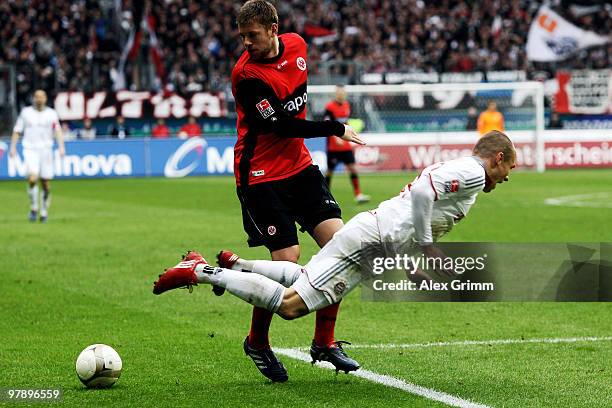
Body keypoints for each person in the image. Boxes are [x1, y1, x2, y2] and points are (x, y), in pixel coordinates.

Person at [153, 131, 517, 377]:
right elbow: (423, 194)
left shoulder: (466, 174)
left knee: (301, 276)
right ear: (498, 158)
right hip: (369, 241)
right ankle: (200, 271)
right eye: (510, 168)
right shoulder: (471, 172)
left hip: (374, 239)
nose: (507, 177)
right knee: (292, 306)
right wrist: (425, 247)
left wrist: (408, 265)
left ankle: (241, 265)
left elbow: (411, 211)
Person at [205, 0, 363, 383]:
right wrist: (333, 128)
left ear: (273, 29)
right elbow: (281, 126)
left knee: (341, 248)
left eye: (252, 35)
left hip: (300, 168)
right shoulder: (246, 76)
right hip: (259, 175)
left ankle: (324, 341)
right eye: (241, 36)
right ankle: (257, 341)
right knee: (288, 261)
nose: (246, 43)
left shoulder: (298, 47)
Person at [9, 89, 65, 223]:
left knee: (45, 183)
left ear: (45, 99)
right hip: (30, 149)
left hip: (46, 150)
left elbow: (57, 131)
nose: (39, 99)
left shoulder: (51, 114)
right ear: (33, 98)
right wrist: (13, 147)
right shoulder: (26, 113)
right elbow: (17, 130)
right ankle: (34, 208)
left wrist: (61, 146)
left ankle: (44, 211)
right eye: (37, 97)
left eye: (42, 97)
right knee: (33, 178)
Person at [324, 85, 370, 203]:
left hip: (346, 145)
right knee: (330, 171)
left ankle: (358, 194)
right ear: (336, 93)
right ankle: (326, 196)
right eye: (339, 92)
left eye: (343, 92)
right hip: (333, 147)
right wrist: (336, 138)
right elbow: (326, 124)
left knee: (353, 169)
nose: (341, 94)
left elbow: (346, 122)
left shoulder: (346, 105)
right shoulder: (329, 107)